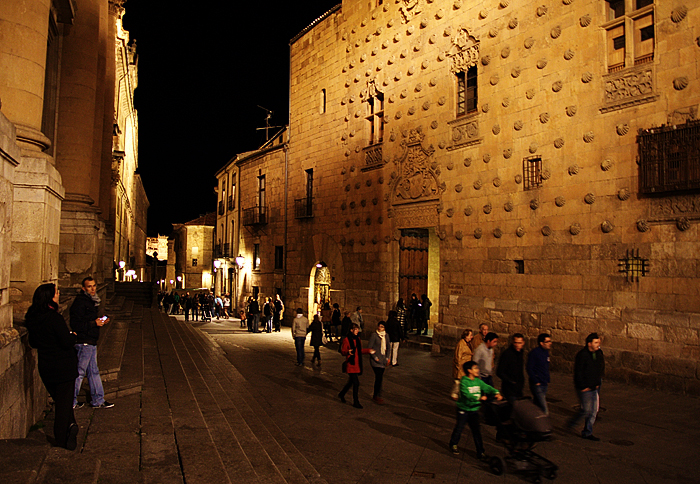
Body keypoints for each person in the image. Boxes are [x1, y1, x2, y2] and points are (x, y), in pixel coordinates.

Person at [24, 283, 80, 450]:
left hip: (46, 367)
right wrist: (73, 336)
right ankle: (62, 440)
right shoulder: (54, 317)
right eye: (56, 292)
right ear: (50, 297)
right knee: (63, 405)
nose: (58, 294)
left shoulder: (33, 317)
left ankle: (71, 426)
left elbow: (33, 342)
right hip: (63, 367)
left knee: (62, 400)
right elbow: (66, 341)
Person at [70, 277, 113, 409]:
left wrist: (100, 321)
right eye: (89, 286)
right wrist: (94, 323)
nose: (93, 289)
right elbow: (76, 324)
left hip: (91, 341)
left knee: (93, 371)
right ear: (84, 288)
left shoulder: (92, 301)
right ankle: (70, 402)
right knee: (79, 373)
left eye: (94, 286)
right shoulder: (80, 302)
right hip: (84, 342)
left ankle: (98, 400)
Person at [449, 361, 502, 458]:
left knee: (476, 431)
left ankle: (480, 451)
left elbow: (486, 387)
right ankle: (453, 444)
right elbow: (467, 395)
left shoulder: (478, 381)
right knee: (459, 428)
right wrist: (478, 398)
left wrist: (496, 392)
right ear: (469, 370)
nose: (477, 370)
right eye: (475, 368)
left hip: (474, 410)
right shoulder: (464, 381)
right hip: (463, 409)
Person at [567, 333, 605, 441]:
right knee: (586, 410)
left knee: (594, 411)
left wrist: (598, 381)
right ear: (589, 344)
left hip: (595, 386)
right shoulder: (582, 355)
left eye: (599, 342)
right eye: (596, 342)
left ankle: (587, 432)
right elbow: (578, 372)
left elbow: (600, 367)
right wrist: (583, 386)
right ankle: (572, 423)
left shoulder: (599, 353)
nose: (598, 344)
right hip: (585, 388)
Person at [338, 324, 375, 408]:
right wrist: (348, 352)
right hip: (351, 364)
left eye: (358, 329)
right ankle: (356, 401)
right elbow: (343, 351)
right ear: (351, 330)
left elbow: (359, 351)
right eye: (356, 329)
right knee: (356, 383)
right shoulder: (347, 340)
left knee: (351, 382)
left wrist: (368, 350)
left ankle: (342, 394)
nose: (357, 331)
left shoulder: (358, 339)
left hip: (357, 363)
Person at [527, 333, 552, 414]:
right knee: (544, 408)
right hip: (538, 384)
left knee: (537, 405)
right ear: (541, 343)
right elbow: (529, 368)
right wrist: (535, 380)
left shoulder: (546, 352)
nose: (550, 343)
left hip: (544, 383)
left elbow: (546, 366)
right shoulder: (534, 353)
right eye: (547, 341)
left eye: (550, 341)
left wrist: (547, 379)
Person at [496, 333, 525, 402]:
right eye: (515, 343)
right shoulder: (507, 354)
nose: (517, 345)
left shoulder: (520, 353)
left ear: (523, 343)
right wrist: (511, 381)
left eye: (519, 343)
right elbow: (499, 371)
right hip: (509, 388)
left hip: (518, 388)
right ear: (512, 342)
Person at [368, 321, 390, 404]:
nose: (380, 328)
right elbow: (370, 347)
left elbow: (388, 347)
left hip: (383, 360)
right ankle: (376, 395)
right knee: (379, 377)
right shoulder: (374, 335)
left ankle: (378, 394)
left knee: (380, 378)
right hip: (376, 361)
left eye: (382, 327)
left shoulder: (386, 336)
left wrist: (387, 358)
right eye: (379, 326)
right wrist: (375, 357)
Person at [451, 328, 474, 400]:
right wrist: (458, 367)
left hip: (466, 365)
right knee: (458, 382)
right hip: (461, 366)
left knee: (463, 382)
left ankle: (461, 394)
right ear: (466, 336)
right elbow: (458, 356)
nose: (471, 337)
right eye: (470, 335)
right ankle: (454, 394)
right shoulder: (461, 344)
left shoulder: (468, 343)